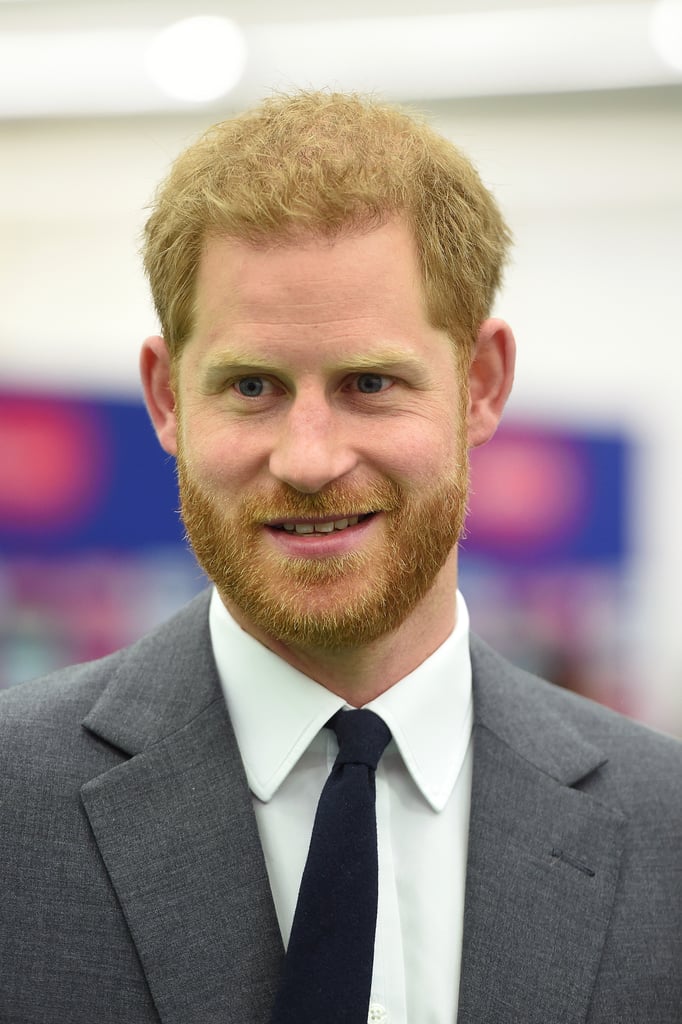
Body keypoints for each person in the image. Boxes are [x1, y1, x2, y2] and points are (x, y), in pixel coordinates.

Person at [0, 91, 679, 1024]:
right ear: (167, 398)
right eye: (251, 386)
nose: (310, 459)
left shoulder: (665, 832)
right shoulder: (13, 806)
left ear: (480, 385)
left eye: (370, 383)